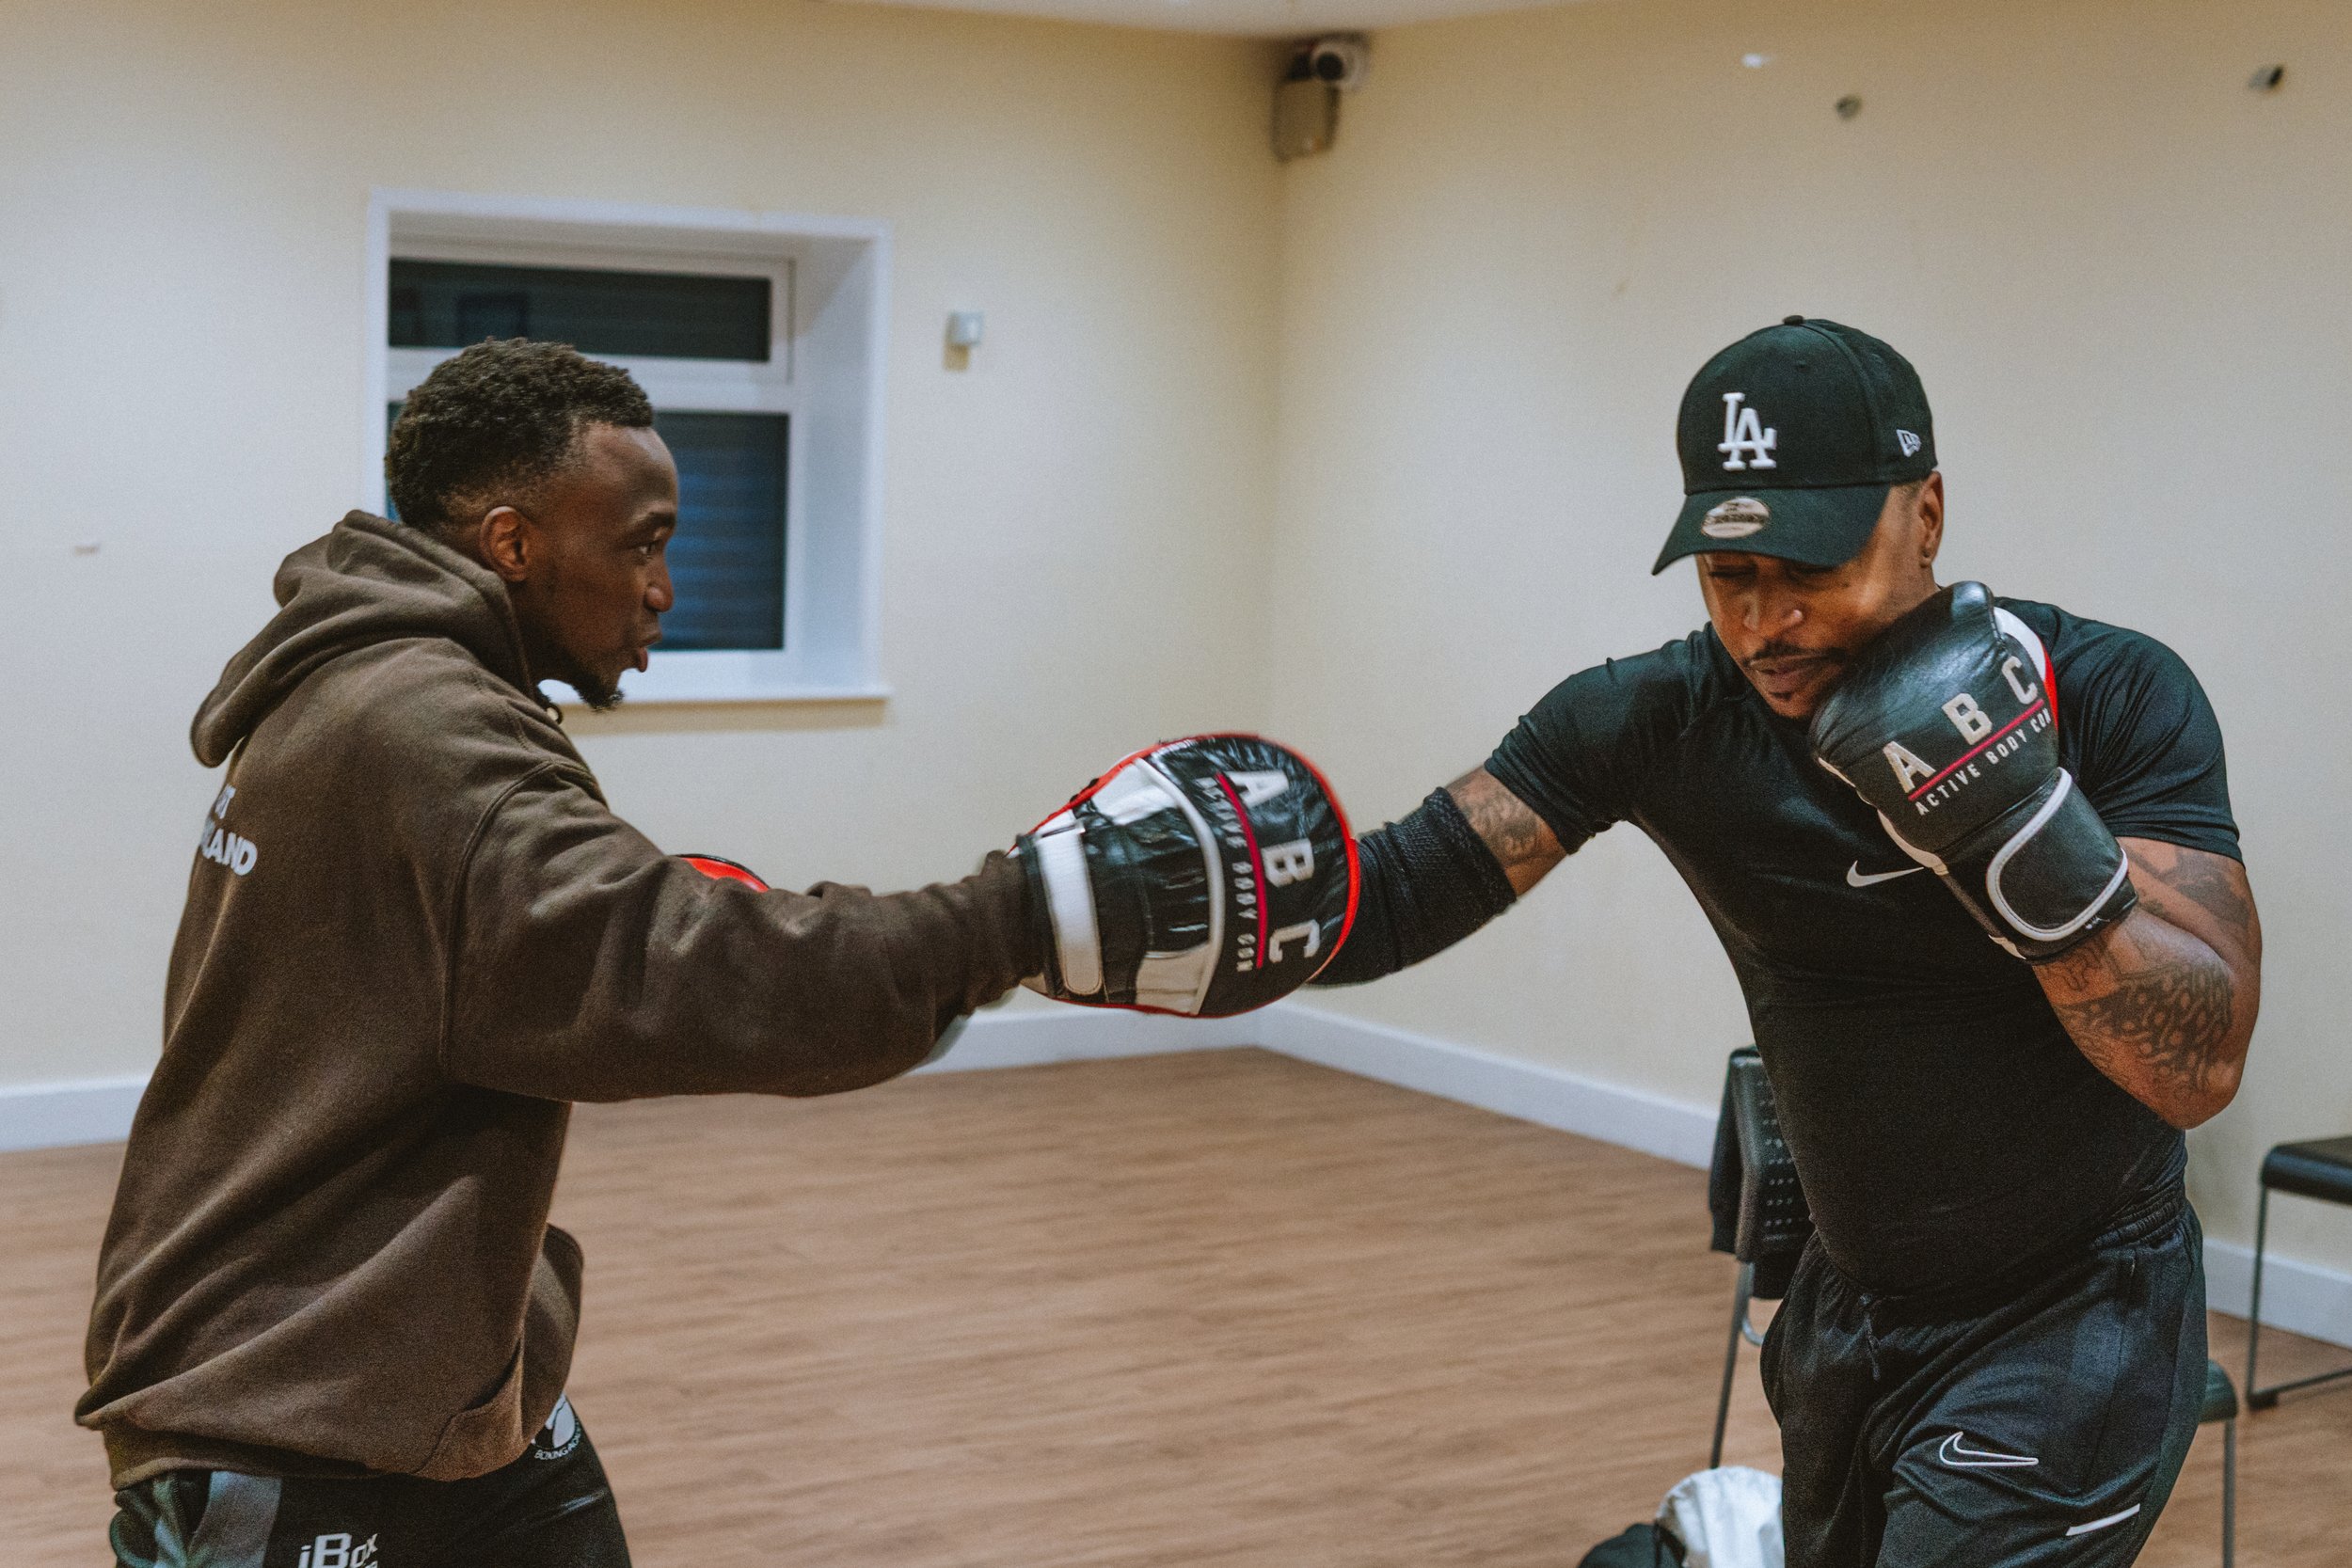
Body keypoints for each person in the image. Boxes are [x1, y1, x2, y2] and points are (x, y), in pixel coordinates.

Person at [80, 338, 1352, 1567]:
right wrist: (1017, 913)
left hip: (429, 1368)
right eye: (640, 542)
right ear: (514, 544)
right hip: (283, 1408)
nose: (663, 588)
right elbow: (691, 971)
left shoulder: (369, 683)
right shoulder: (427, 730)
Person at [1315, 317, 2260, 1566]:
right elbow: (1390, 898)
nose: (1768, 622)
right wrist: (1047, 918)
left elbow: (2196, 1065)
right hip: (1848, 1311)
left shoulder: (2107, 695)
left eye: (1810, 567)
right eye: (1728, 574)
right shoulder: (1658, 716)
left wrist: (2013, 834)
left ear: (1925, 514)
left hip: (2074, 1315)